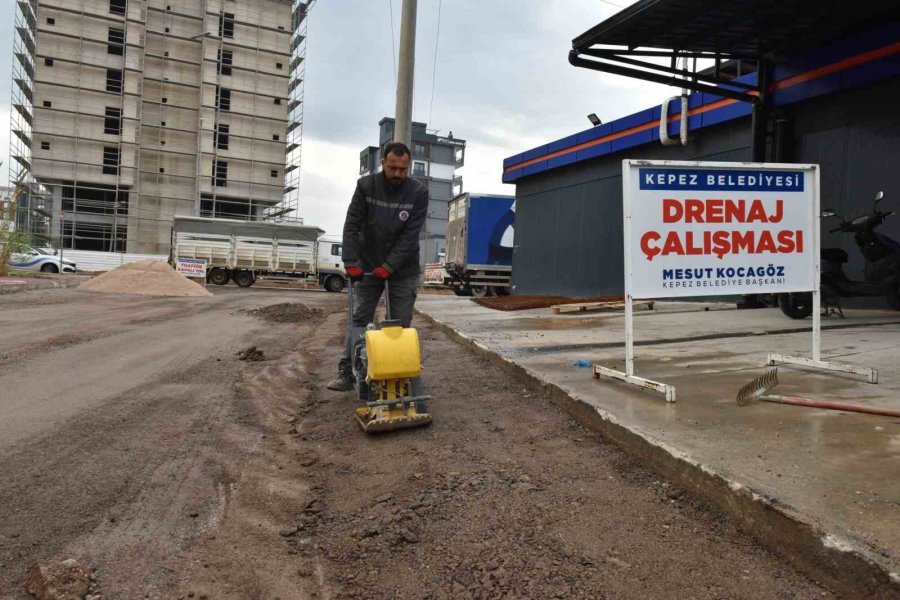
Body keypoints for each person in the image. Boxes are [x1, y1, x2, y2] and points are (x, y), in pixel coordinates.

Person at [327, 142, 429, 392]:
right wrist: (351, 262)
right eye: (393, 168)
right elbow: (352, 225)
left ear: (408, 166)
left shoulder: (418, 192)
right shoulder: (366, 186)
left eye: (403, 170)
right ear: (382, 162)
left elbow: (410, 236)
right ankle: (348, 372)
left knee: (400, 324)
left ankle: (398, 375)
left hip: (403, 269)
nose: (397, 174)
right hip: (368, 266)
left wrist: (390, 266)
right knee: (360, 319)